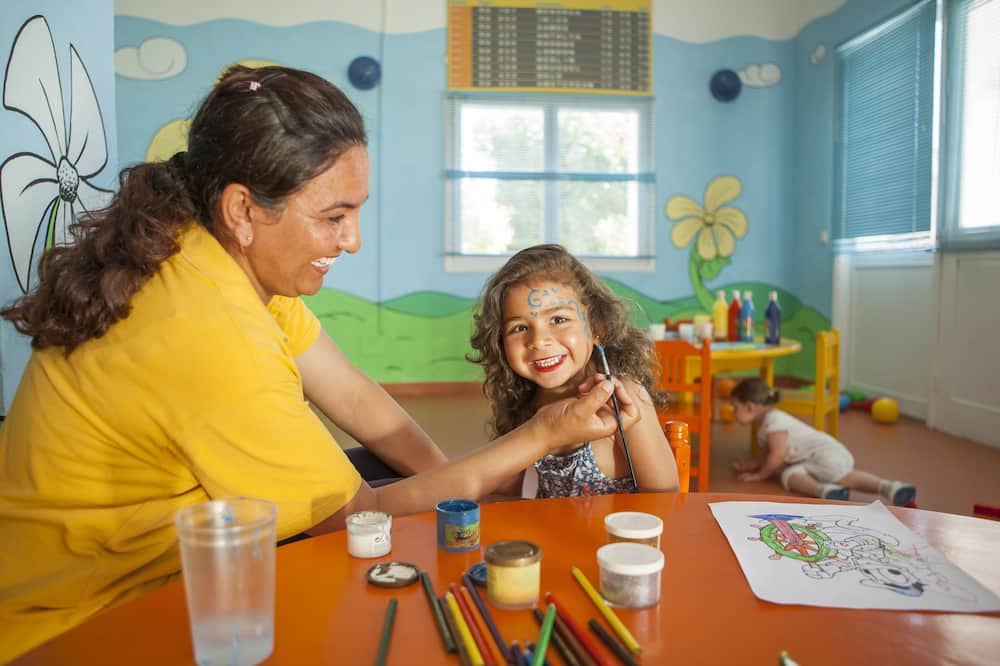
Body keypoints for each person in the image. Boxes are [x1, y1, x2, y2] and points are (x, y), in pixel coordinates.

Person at [0, 66, 640, 660]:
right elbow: (359, 518)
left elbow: (356, 398)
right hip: (82, 620)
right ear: (244, 210)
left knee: (393, 478)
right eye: (334, 216)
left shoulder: (210, 256)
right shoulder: (208, 332)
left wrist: (466, 480)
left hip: (161, 563)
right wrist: (537, 439)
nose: (352, 239)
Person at [468, 244, 679, 498]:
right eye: (520, 328)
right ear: (501, 343)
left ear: (597, 325)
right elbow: (505, 496)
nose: (539, 340)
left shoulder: (623, 399)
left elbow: (665, 499)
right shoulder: (524, 403)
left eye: (558, 320)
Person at [729, 378, 916, 504]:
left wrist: (761, 475)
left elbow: (776, 456)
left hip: (825, 453)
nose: (733, 412)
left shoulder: (774, 423)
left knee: (846, 477)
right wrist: (749, 465)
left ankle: (888, 487)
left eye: (735, 407)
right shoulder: (767, 423)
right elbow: (767, 454)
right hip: (810, 459)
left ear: (750, 406)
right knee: (789, 475)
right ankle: (825, 491)